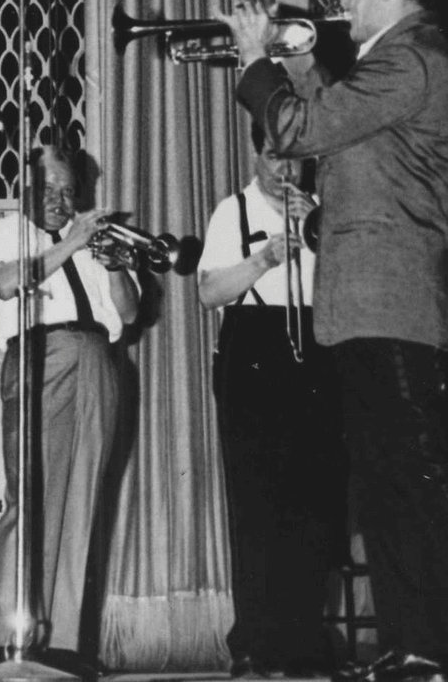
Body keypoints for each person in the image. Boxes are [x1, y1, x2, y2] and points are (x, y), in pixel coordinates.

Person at [220, 0, 448, 682]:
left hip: (393, 301)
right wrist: (294, 61)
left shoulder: (409, 57)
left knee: (405, 487)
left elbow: (296, 129)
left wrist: (255, 58)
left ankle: (426, 645)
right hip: (370, 302)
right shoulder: (395, 62)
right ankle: (408, 643)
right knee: (386, 487)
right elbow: (335, 129)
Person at [0, 146, 138, 682]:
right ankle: (15, 641)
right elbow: (2, 283)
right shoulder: (5, 233)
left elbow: (130, 314)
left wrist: (113, 267)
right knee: (31, 499)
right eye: (47, 189)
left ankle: (63, 645)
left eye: (68, 191)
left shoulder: (90, 243)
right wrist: (72, 243)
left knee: (85, 501)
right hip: (39, 356)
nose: (58, 200)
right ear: (24, 190)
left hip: (98, 360)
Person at [197, 128, 345, 679]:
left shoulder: (324, 208)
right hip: (253, 351)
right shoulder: (229, 211)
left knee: (313, 498)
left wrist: (323, 230)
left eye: (294, 157)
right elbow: (209, 292)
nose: (283, 168)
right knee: (256, 499)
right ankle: (255, 640)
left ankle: (304, 637)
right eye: (272, 155)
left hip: (316, 347)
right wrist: (263, 259)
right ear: (255, 154)